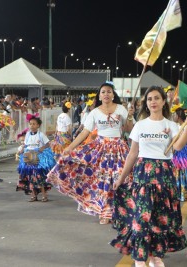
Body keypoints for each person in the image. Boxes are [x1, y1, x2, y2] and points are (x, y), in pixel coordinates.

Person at [111, 86, 187, 267]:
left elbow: (178, 147)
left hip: (165, 176)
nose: (153, 102)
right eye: (149, 99)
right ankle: (140, 259)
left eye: (157, 98)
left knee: (160, 218)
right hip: (143, 176)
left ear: (164, 101)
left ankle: (156, 257)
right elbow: (133, 154)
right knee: (142, 218)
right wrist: (121, 178)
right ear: (146, 103)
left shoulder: (171, 125)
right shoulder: (140, 125)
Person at [46, 82, 134, 225]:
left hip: (119, 149)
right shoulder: (94, 112)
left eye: (109, 91)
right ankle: (105, 213)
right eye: (103, 92)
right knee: (103, 181)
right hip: (100, 150)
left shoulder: (121, 109)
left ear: (113, 94)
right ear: (99, 95)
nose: (106, 94)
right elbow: (84, 133)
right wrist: (70, 147)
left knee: (119, 179)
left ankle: (119, 211)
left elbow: (130, 130)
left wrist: (129, 116)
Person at [17, 115, 56, 202]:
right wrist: (22, 149)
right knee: (30, 176)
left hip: (38, 158)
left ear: (38, 125)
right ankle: (33, 195)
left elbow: (48, 143)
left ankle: (44, 195)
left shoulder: (41, 134)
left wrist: (42, 148)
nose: (32, 126)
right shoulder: (27, 134)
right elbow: (25, 145)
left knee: (39, 176)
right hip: (29, 157)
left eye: (34, 124)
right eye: (30, 124)